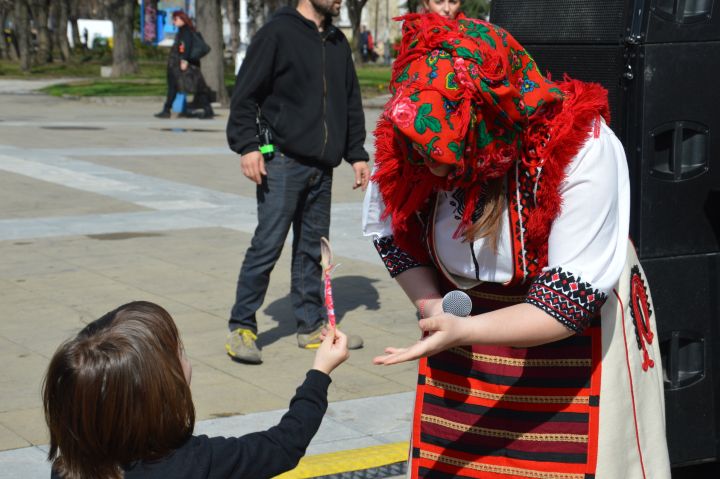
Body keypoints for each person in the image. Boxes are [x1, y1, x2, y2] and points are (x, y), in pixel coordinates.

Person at [363, 0, 671, 477]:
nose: (431, 170)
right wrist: (431, 308)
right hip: (461, 332)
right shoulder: (413, 137)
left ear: (491, 129)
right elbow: (391, 235)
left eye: (446, 156)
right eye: (422, 156)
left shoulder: (580, 148)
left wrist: (463, 329)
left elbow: (566, 304)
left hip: (575, 337)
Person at [43, 301, 350, 479]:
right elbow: (283, 445)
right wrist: (319, 372)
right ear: (160, 385)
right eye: (181, 352)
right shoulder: (195, 463)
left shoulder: (69, 467)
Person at [225, 0, 370, 364]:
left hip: (322, 166)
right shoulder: (277, 33)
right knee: (267, 245)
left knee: (312, 251)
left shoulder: (337, 42)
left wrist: (357, 153)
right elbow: (245, 96)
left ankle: (310, 325)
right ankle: (242, 326)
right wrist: (248, 146)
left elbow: (350, 101)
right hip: (282, 162)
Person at [154, 10, 214, 119]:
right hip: (180, 65)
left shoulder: (185, 32)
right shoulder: (184, 31)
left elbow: (185, 47)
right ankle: (167, 109)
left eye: (176, 19)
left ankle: (207, 110)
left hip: (182, 65)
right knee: (180, 87)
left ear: (183, 19)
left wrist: (184, 61)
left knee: (195, 87)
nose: (174, 21)